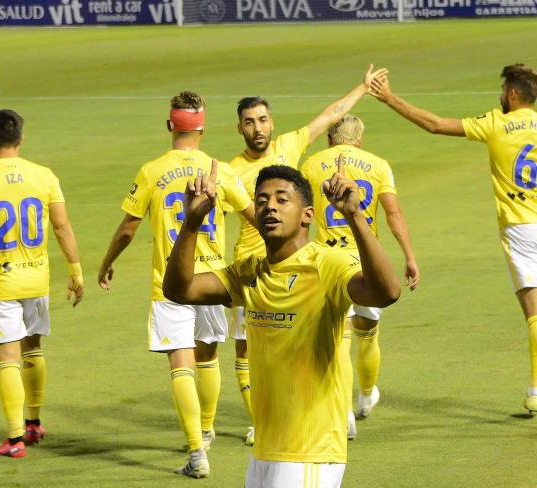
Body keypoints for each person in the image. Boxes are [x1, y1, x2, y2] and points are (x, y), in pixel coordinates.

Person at [163, 160, 400, 488]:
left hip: (308, 453)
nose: (269, 207)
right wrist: (191, 223)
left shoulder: (326, 265)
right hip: (266, 453)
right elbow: (180, 288)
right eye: (262, 200)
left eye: (282, 199)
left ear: (307, 214)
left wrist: (356, 216)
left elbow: (385, 291)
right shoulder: (250, 272)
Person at [97, 92, 253, 476]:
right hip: (214, 280)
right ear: (202, 127)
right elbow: (253, 213)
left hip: (170, 282)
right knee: (209, 356)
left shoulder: (152, 170)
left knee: (180, 362)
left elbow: (128, 228)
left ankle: (198, 452)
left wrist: (106, 262)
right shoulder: (221, 170)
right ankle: (207, 427)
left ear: (170, 125)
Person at [228, 66, 387, 444]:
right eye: (249, 122)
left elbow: (331, 114)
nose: (258, 128)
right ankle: (259, 418)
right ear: (240, 129)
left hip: (294, 264)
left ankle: (331, 409)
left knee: (317, 338)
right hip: (250, 268)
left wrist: (363, 88)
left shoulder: (288, 146)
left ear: (272, 122)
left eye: (263, 119)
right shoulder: (230, 172)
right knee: (247, 346)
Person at [370, 63, 537, 414]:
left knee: (534, 315)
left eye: (502, 88)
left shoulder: (495, 123)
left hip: (521, 228)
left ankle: (536, 390)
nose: (499, 94)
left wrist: (389, 98)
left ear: (511, 94)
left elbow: (434, 125)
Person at [0, 109, 84, 459]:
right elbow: (61, 226)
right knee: (34, 349)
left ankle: (14, 439)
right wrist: (76, 269)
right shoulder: (43, 176)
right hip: (36, 279)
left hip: (1, 285)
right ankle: (33, 422)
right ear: (21, 140)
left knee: (8, 359)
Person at [301, 114, 419, 436]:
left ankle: (345, 417)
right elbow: (393, 213)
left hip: (327, 262)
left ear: (330, 139)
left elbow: (302, 215)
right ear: (359, 139)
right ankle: (365, 397)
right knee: (367, 332)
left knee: (338, 339)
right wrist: (409, 256)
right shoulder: (378, 165)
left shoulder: (312, 164)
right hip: (366, 263)